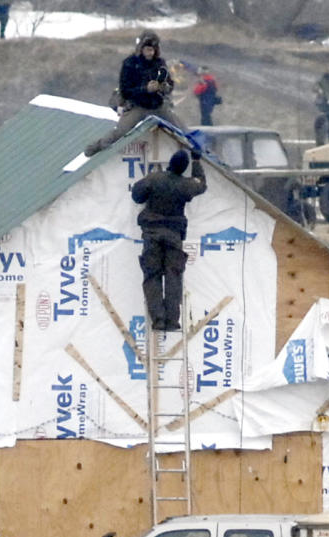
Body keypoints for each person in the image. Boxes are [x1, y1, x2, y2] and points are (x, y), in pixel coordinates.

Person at [131, 147, 206, 333]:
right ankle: (172, 321)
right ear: (183, 168)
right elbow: (201, 184)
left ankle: (158, 321)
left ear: (170, 164)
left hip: (152, 235)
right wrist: (197, 162)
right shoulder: (185, 185)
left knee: (152, 276)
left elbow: (137, 195)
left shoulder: (154, 179)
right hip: (174, 236)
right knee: (174, 277)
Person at [84, 31, 184, 156]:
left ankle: (195, 153)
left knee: (180, 131)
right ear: (141, 49)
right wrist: (145, 89)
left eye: (153, 50)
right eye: (147, 50)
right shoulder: (130, 64)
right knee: (120, 132)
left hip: (157, 105)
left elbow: (169, 84)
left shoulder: (159, 63)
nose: (150, 53)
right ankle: (96, 147)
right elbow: (125, 91)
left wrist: (164, 87)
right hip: (138, 106)